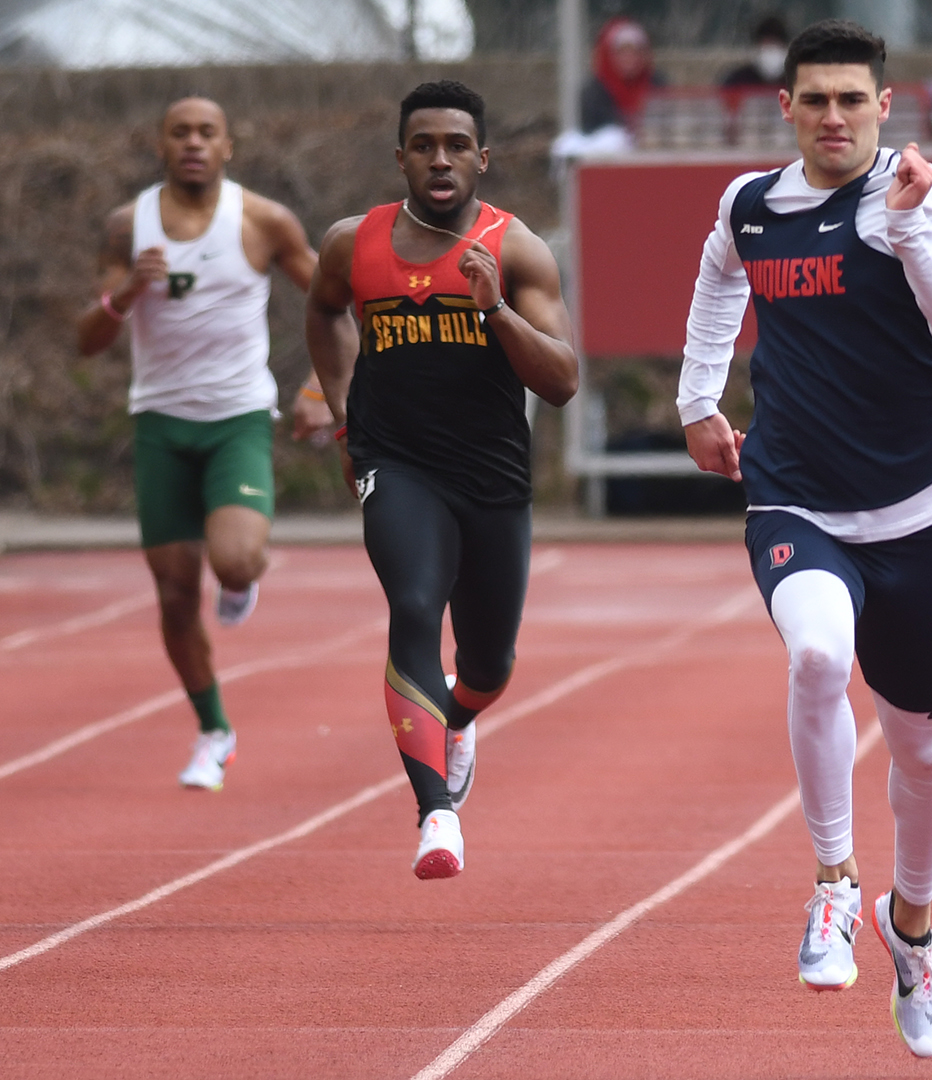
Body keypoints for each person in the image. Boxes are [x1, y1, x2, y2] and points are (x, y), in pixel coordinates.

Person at [679, 19, 932, 1058]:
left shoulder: (924, 197)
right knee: (817, 657)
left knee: (921, 749)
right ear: (785, 108)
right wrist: (698, 400)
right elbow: (718, 279)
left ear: (884, 106)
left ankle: (914, 931)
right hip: (795, 494)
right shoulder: (750, 204)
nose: (832, 117)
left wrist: (907, 231)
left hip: (913, 507)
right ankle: (833, 882)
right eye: (813, 99)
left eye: (851, 99)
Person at [305, 80, 578, 880]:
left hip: (491, 475)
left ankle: (456, 715)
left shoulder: (517, 249)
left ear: (482, 158)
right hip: (396, 464)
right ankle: (436, 814)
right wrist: (344, 414)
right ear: (401, 157)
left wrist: (496, 311)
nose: (440, 159)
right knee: (415, 605)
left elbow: (562, 380)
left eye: (457, 145)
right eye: (423, 145)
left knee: (489, 664)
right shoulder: (352, 243)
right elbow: (323, 311)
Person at [77, 97, 317, 792]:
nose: (192, 143)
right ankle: (214, 731)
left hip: (237, 417)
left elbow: (334, 298)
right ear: (160, 145)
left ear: (227, 146)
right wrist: (126, 293)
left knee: (235, 560)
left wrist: (323, 384)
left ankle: (241, 581)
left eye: (206, 132)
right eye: (179, 132)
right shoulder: (128, 226)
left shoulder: (264, 220)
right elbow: (87, 340)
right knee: (176, 595)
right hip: (160, 422)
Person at [579, 17, 664, 135]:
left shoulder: (657, 84)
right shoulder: (594, 92)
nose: (630, 58)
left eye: (636, 52)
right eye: (623, 53)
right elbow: (591, 131)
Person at [720, 14, 789, 89]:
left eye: (775, 45)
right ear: (757, 48)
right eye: (766, 45)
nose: (770, 51)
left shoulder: (795, 80)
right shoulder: (738, 80)